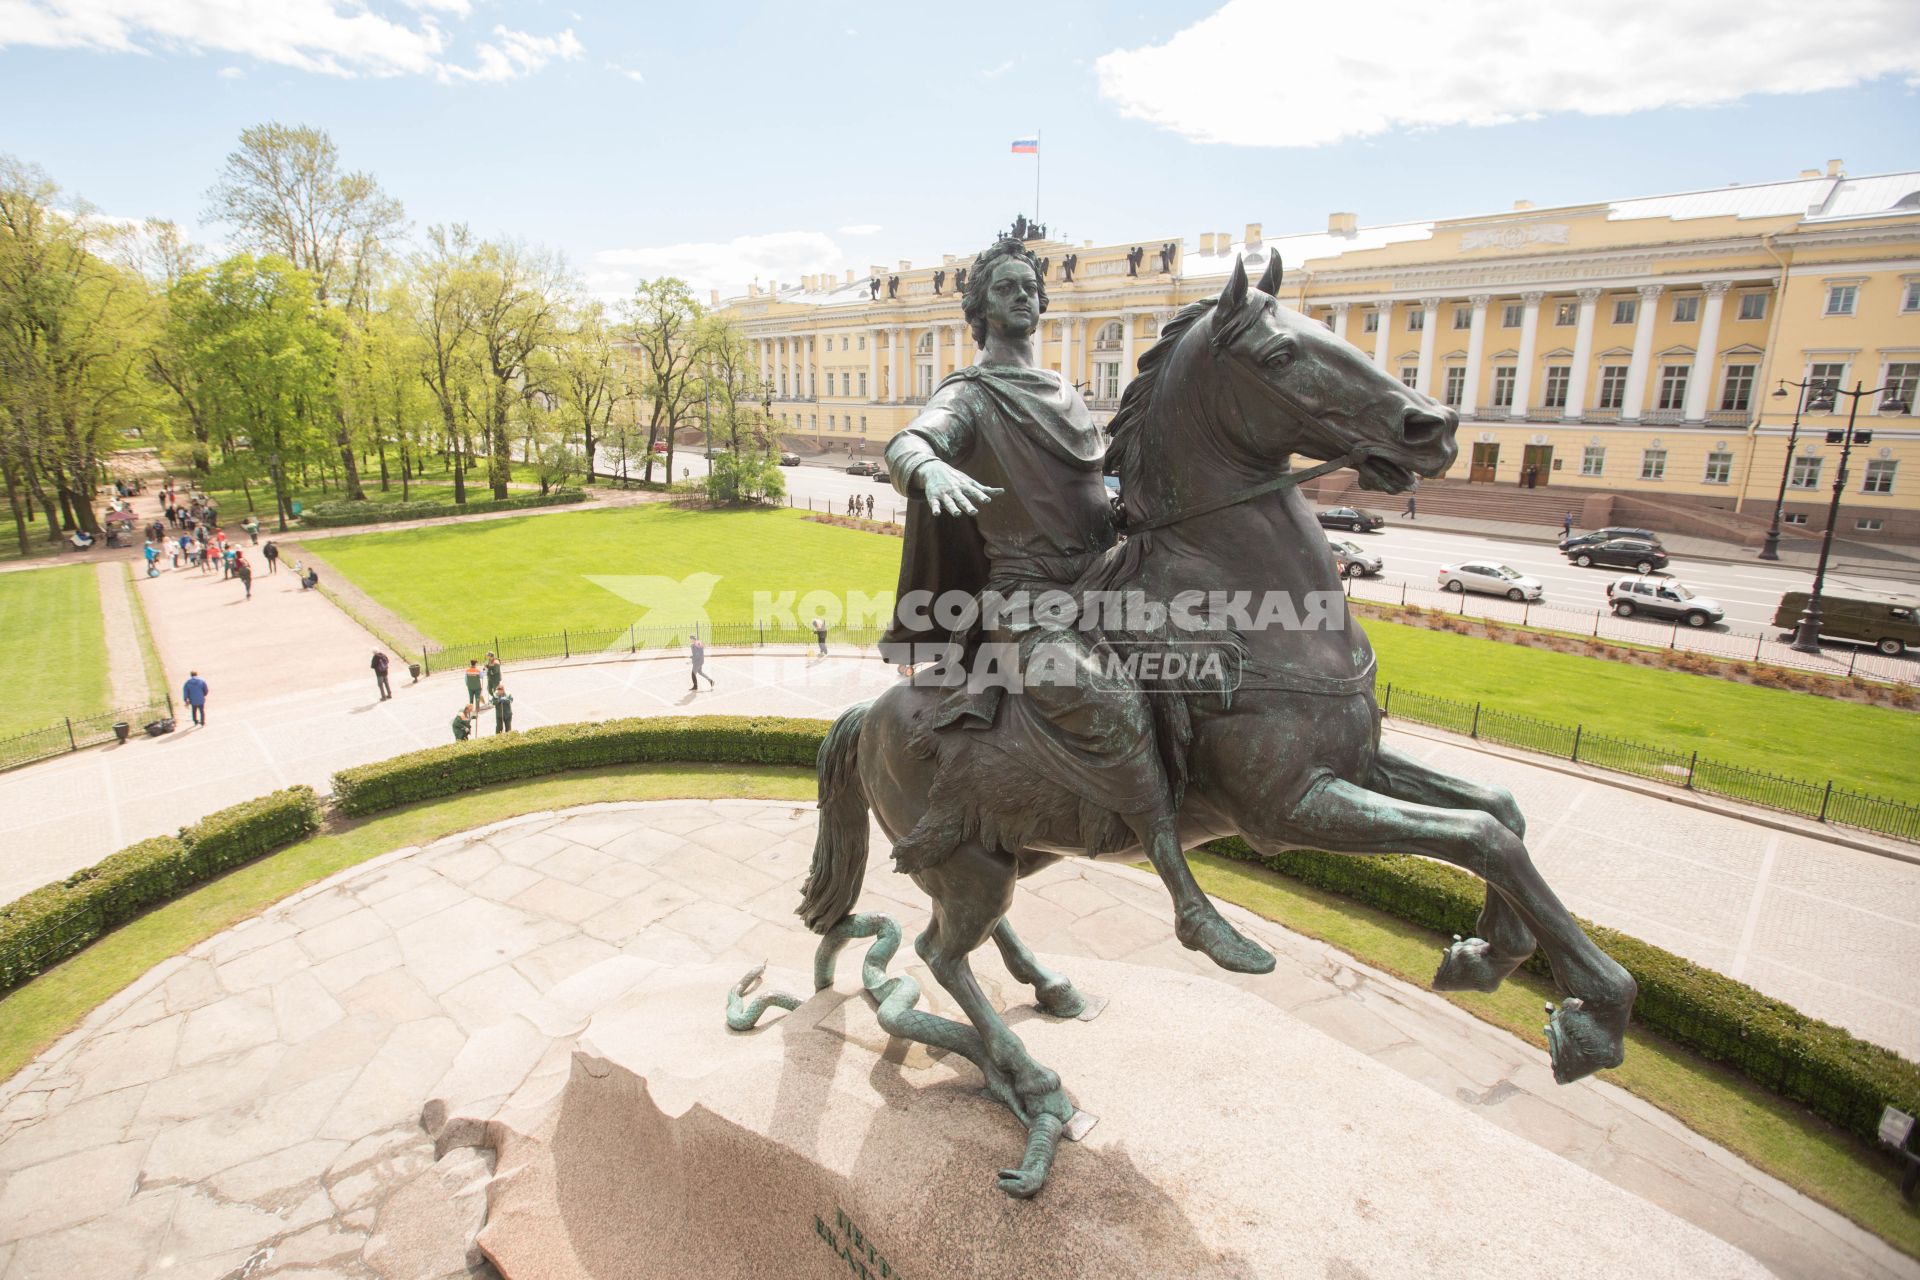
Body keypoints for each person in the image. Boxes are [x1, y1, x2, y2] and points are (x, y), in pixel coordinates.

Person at [880, 234, 1267, 973]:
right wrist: (926, 468)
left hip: (1103, 582)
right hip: (1025, 603)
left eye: (1029, 287)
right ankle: (1187, 904)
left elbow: (1089, 498)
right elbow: (911, 441)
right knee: (1113, 704)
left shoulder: (1063, 389)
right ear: (979, 308)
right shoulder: (969, 392)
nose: (1021, 296)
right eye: (1004, 289)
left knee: (1221, 664)